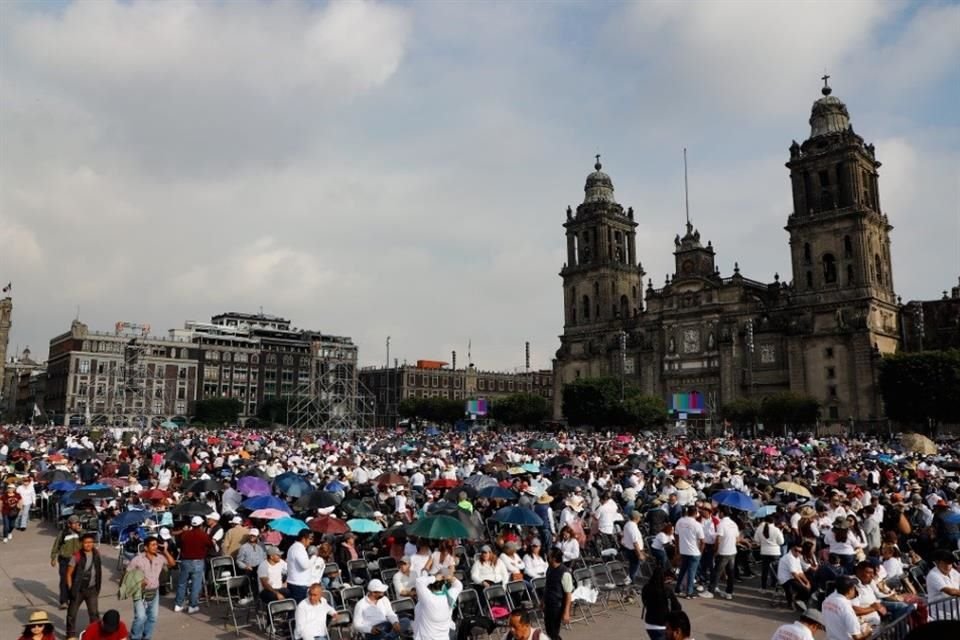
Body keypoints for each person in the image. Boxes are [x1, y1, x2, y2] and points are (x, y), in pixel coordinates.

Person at [126, 535, 176, 640]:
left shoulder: (160, 557)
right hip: (139, 592)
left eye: (156, 545)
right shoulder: (137, 559)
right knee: (140, 617)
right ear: (146, 547)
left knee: (152, 617)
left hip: (154, 591)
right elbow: (127, 574)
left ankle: (147, 637)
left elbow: (172, 563)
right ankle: (135, 637)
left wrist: (165, 551)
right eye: (153, 545)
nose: (155, 547)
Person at [65, 532, 103, 639]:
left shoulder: (96, 554)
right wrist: (71, 589)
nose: (88, 544)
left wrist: (97, 588)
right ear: (81, 543)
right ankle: (70, 635)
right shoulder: (76, 556)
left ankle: (95, 634)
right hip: (78, 590)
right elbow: (68, 574)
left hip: (92, 590)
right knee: (72, 614)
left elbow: (98, 571)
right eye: (86, 542)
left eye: (90, 542)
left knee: (94, 614)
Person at [174, 515, 215, 613]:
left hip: (185, 561)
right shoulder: (203, 535)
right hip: (198, 561)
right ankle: (192, 605)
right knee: (196, 585)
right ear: (201, 524)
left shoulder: (185, 534)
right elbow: (210, 545)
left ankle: (178, 604)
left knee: (182, 583)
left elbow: (179, 544)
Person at [413, 572, 463, 640]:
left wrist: (434, 578)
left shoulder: (428, 598)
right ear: (443, 586)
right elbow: (458, 585)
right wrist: (450, 577)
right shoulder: (450, 597)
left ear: (429, 587)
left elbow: (419, 581)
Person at [642, 566, 682, 640]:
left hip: (649, 623)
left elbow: (644, 601)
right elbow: (677, 607)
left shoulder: (646, 587)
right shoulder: (667, 590)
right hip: (662, 625)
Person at [542, 549, 573, 640]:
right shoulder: (550, 569)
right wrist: (543, 600)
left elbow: (568, 594)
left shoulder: (565, 573)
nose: (547, 557)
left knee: (554, 632)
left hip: (557, 606)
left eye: (549, 556)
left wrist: (566, 612)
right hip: (548, 604)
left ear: (554, 558)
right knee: (549, 630)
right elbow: (547, 585)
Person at [674, 506, 704, 599]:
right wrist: (700, 552)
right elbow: (702, 541)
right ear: (695, 513)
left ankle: (678, 588)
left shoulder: (680, 521)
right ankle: (689, 592)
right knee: (691, 572)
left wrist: (678, 548)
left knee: (682, 570)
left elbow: (676, 535)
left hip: (684, 550)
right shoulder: (697, 524)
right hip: (694, 552)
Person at [710, 507, 740, 599]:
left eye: (719, 512)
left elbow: (718, 539)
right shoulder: (734, 524)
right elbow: (737, 539)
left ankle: (711, 591)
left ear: (722, 513)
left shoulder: (721, 524)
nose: (718, 514)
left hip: (723, 551)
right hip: (732, 551)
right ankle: (729, 593)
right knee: (730, 573)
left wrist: (716, 551)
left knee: (717, 572)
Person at [925, 549, 960, 620]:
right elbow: (951, 592)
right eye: (945, 563)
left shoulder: (953, 572)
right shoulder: (933, 575)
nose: (948, 566)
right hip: (940, 615)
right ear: (937, 563)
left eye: (950, 563)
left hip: (955, 612)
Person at [777, 544, 812, 610]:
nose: (798, 553)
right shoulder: (789, 557)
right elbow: (794, 573)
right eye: (796, 550)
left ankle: (798, 599)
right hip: (785, 579)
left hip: (791, 577)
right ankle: (791, 602)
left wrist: (807, 582)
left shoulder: (797, 558)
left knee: (810, 584)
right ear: (792, 549)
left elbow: (800, 572)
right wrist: (803, 584)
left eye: (800, 551)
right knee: (804, 588)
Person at [755, 516, 785, 592]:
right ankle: (774, 586)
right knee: (775, 571)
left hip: (764, 552)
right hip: (775, 552)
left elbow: (756, 540)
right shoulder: (776, 530)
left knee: (764, 570)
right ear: (773, 521)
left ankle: (763, 587)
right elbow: (781, 542)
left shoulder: (759, 528)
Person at [287, 528, 315, 602]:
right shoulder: (298, 548)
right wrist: (314, 557)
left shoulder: (295, 547)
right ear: (303, 538)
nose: (311, 541)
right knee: (299, 609)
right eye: (310, 539)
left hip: (297, 583)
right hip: (299, 585)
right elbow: (305, 565)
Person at [621, 510, 646, 582]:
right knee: (634, 568)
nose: (640, 518)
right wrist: (639, 554)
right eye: (639, 517)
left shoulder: (628, 524)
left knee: (633, 567)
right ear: (636, 518)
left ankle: (631, 579)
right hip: (634, 550)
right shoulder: (633, 527)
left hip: (630, 549)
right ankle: (632, 582)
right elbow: (635, 542)